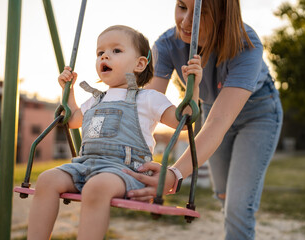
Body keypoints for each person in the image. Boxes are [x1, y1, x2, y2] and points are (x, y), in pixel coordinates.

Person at [123, 0, 283, 239]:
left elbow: (219, 121)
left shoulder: (246, 45)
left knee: (239, 206)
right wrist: (131, 165)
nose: (185, 22)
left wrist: (174, 174)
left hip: (257, 113)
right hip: (210, 110)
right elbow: (148, 108)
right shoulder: (167, 44)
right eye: (181, 6)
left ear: (222, 16)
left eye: (201, 12)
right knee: (223, 194)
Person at [27, 25, 202, 240]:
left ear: (140, 64)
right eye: (100, 52)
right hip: (85, 165)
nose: (105, 56)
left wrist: (194, 88)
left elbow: (183, 121)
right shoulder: (94, 99)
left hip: (126, 171)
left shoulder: (148, 98)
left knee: (96, 187)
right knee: (46, 179)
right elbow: (72, 120)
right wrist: (68, 91)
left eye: (116, 51)